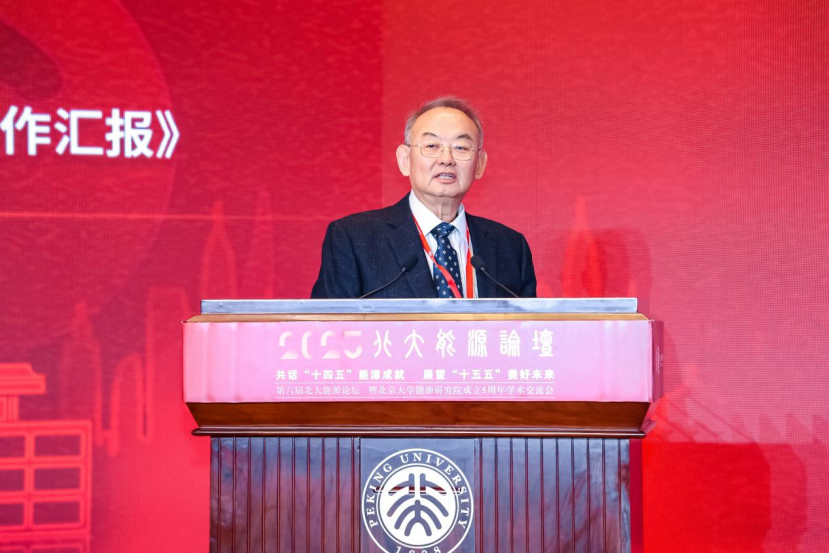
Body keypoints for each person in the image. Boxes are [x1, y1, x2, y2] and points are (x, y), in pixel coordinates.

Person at [311, 96, 536, 299]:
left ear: (480, 164)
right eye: (431, 146)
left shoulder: (510, 247)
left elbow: (530, 328)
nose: (446, 159)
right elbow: (328, 325)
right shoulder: (355, 239)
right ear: (405, 160)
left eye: (461, 147)